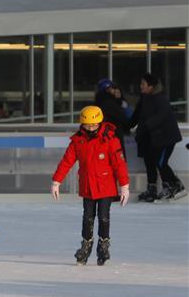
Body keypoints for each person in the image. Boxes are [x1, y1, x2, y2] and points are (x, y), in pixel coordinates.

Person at [51, 105, 130, 266]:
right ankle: (86, 244)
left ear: (100, 123)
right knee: (87, 217)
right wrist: (56, 181)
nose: (91, 128)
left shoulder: (110, 140)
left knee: (103, 217)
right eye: (87, 125)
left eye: (94, 125)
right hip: (87, 187)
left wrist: (124, 186)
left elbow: (119, 164)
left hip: (105, 187)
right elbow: (67, 161)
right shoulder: (78, 141)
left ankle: (103, 244)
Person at [129, 73, 185, 202]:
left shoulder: (160, 99)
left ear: (151, 86)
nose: (140, 86)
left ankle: (175, 186)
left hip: (167, 138)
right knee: (150, 162)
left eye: (143, 84)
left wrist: (143, 127)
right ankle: (152, 188)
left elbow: (160, 116)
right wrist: (127, 126)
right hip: (152, 138)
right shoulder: (144, 99)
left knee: (161, 162)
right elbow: (137, 115)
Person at [94, 78, 130, 150]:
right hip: (114, 136)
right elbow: (124, 119)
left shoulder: (100, 103)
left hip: (105, 136)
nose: (114, 91)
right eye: (112, 88)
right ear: (107, 90)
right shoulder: (111, 104)